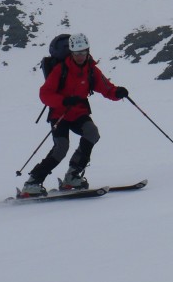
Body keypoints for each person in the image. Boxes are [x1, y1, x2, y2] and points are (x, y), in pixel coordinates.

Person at [20, 33, 129, 197]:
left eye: (83, 52)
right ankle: (32, 183)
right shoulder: (60, 69)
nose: (80, 56)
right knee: (61, 148)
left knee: (92, 133)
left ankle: (72, 176)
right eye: (77, 53)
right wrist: (63, 101)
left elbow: (107, 88)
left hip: (79, 113)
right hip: (60, 114)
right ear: (71, 52)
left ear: (88, 51)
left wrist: (117, 92)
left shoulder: (91, 70)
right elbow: (45, 94)